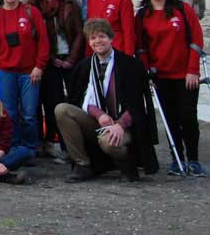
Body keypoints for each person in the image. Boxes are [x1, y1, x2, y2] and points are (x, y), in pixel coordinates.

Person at [56, 18, 156, 182]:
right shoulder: (85, 66)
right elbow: (83, 99)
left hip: (126, 124)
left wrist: (120, 124)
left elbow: (138, 103)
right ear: (89, 42)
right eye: (93, 38)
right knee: (62, 110)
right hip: (99, 120)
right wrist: (100, 115)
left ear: (111, 38)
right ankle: (83, 164)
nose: (98, 41)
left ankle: (128, 166)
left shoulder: (130, 64)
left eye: (102, 36)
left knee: (108, 141)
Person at [135, 0, 204, 176]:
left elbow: (196, 41)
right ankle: (177, 159)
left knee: (188, 117)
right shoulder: (142, 15)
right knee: (170, 118)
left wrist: (193, 70)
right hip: (160, 76)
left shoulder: (182, 10)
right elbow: (141, 47)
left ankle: (194, 159)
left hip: (185, 75)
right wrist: (147, 73)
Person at [0, 0, 47, 153]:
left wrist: (39, 66)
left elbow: (43, 41)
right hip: (5, 71)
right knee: (10, 112)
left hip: (30, 72)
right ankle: (13, 146)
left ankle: (30, 147)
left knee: (29, 114)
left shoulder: (30, 12)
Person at [31, 0, 84, 158]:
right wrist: (51, 58)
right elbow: (39, 37)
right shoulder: (35, 7)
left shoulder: (70, 3)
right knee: (52, 102)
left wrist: (71, 59)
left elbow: (79, 33)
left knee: (72, 102)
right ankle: (50, 141)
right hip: (50, 61)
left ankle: (70, 146)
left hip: (69, 58)